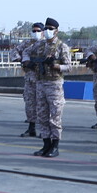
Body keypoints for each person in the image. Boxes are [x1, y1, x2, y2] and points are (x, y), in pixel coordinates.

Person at [28, 18, 72, 157]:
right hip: (40, 83)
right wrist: (27, 62)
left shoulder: (61, 46)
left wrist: (57, 66)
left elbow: (69, 66)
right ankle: (45, 144)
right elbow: (25, 52)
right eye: (46, 28)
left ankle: (55, 145)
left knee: (55, 116)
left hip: (54, 84)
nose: (47, 31)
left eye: (51, 28)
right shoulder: (39, 45)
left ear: (56, 31)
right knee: (42, 115)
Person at [18, 23, 44, 137]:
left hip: (43, 79)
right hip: (30, 78)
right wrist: (24, 61)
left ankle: (45, 130)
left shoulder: (47, 44)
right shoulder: (27, 44)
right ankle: (31, 127)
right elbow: (15, 52)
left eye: (38, 31)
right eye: (34, 31)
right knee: (30, 104)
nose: (35, 33)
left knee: (44, 105)